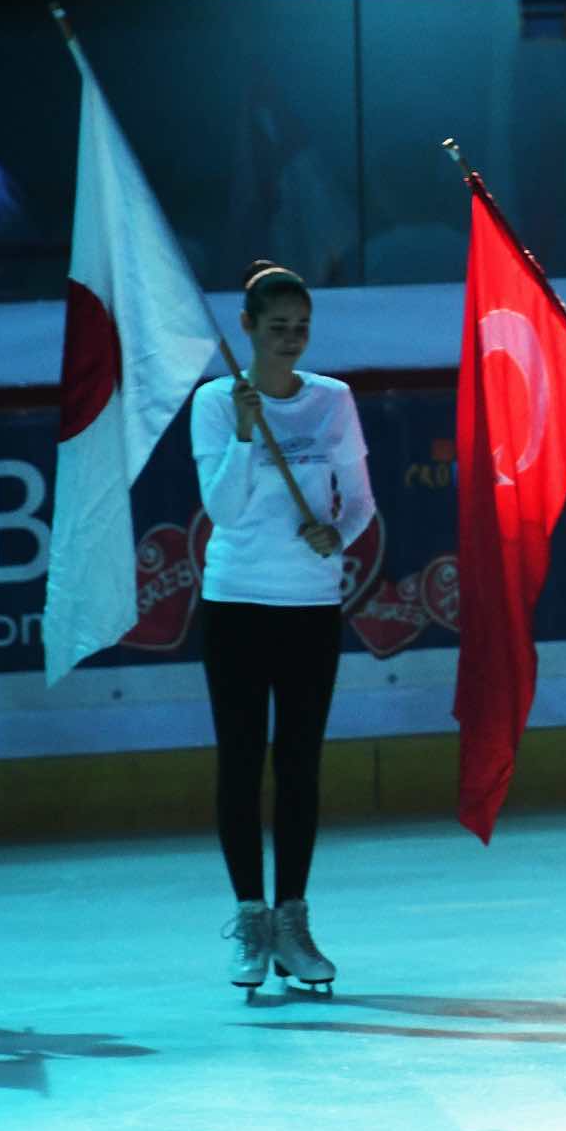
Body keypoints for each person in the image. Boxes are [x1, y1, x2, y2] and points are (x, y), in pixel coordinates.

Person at [191, 261, 374, 993]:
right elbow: (226, 512)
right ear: (247, 329)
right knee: (241, 759)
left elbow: (359, 503)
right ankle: (250, 916)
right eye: (277, 328)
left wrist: (339, 533)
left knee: (298, 760)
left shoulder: (333, 401)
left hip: (310, 605)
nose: (291, 339)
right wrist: (243, 434)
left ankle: (293, 918)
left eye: (301, 327)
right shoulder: (215, 402)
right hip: (236, 600)